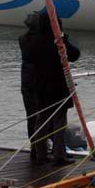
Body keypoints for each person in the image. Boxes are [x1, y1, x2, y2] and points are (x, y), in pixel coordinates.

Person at [31, 11, 80, 166]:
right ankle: (59, 155)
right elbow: (74, 54)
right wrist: (64, 38)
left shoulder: (34, 41)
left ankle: (41, 154)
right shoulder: (58, 41)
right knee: (59, 122)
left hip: (41, 85)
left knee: (41, 121)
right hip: (58, 85)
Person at [19, 13, 44, 162]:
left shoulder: (22, 39)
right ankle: (41, 147)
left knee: (31, 116)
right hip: (37, 81)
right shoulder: (40, 41)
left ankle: (34, 146)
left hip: (26, 80)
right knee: (41, 116)